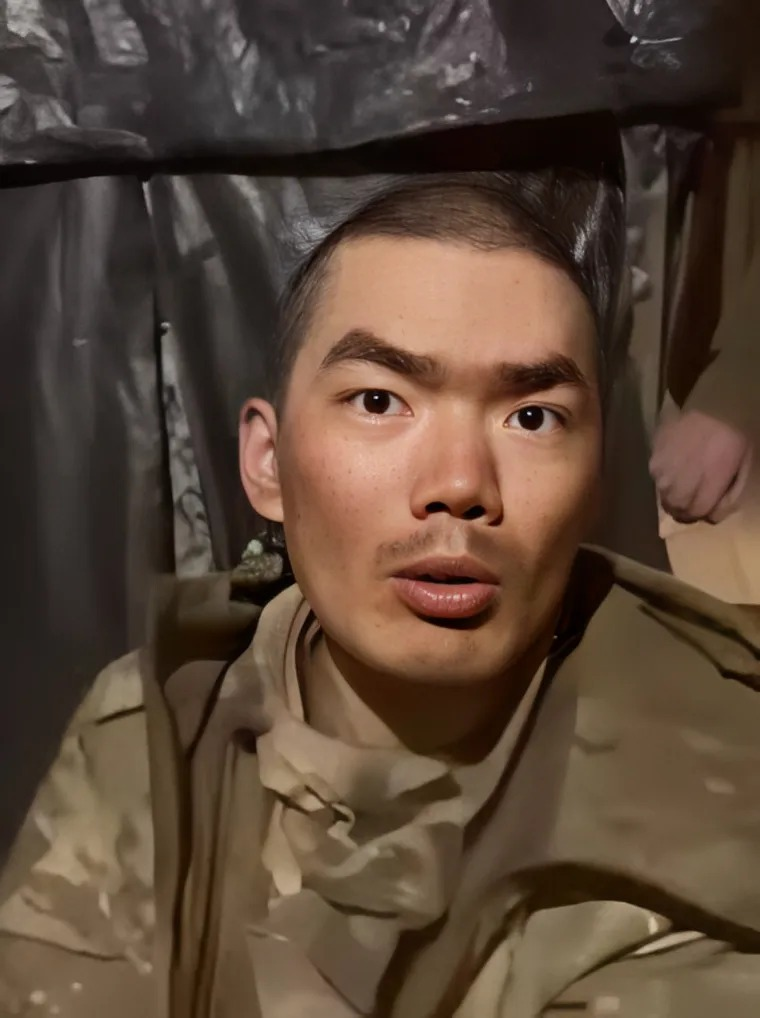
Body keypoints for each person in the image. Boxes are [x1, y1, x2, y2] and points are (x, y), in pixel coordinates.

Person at [2, 150, 760, 1018]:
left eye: (531, 416)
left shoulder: (708, 783)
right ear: (268, 462)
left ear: (595, 483)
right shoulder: (159, 720)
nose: (460, 483)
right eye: (379, 401)